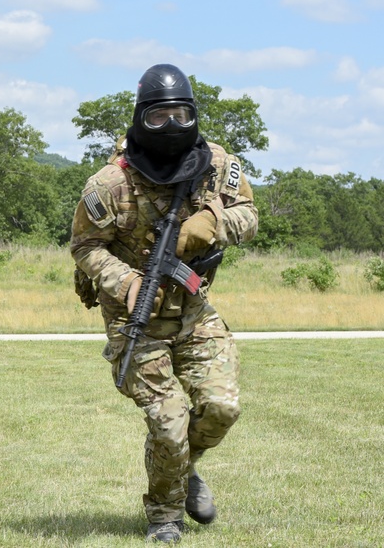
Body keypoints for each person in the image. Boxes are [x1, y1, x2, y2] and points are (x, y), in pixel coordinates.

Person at [70, 65, 258, 544]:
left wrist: (213, 220)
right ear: (140, 119)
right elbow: (85, 246)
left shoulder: (218, 165)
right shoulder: (109, 183)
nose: (171, 126)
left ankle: (182, 470)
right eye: (158, 117)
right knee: (169, 421)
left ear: (194, 114)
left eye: (181, 114)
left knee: (221, 407)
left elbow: (249, 215)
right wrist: (126, 281)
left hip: (194, 312)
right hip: (137, 319)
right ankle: (164, 517)